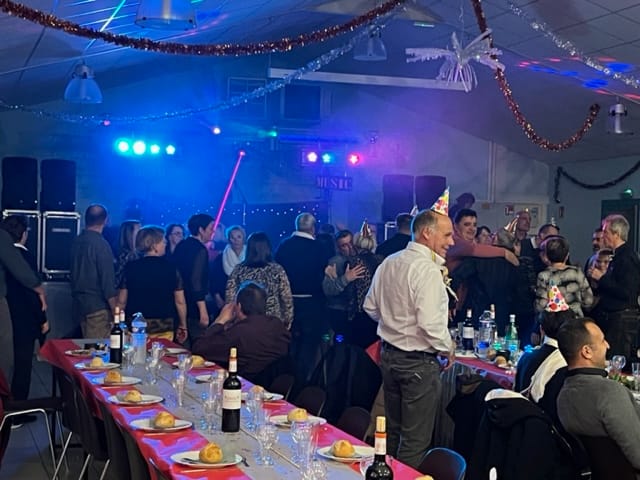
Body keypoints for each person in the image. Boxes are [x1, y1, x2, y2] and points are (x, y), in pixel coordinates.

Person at [363, 201, 455, 469]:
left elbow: (370, 307)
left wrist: (394, 324)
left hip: (389, 356)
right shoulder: (427, 269)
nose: (451, 242)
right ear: (427, 233)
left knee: (392, 432)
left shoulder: (389, 262)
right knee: (415, 440)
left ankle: (385, 473)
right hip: (417, 363)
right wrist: (447, 347)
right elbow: (430, 323)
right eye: (447, 235)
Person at [556, 316, 640, 470]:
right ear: (587, 351)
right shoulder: (610, 393)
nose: (607, 345)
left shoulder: (563, 396)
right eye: (602, 341)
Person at [192, 281, 291, 382]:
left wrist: (220, 320)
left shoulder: (240, 332)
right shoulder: (277, 324)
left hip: (244, 385)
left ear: (238, 306)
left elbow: (199, 348)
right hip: (275, 385)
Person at [275, 212, 329, 385]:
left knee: (288, 342)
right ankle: (302, 383)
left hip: (287, 302)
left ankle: (284, 380)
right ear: (313, 228)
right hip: (312, 304)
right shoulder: (320, 248)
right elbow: (325, 276)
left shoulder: (284, 245)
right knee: (308, 345)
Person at [2, 215, 48, 403]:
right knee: (20, 366)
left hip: (10, 315)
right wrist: (43, 318)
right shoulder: (24, 258)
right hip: (23, 320)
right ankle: (16, 408)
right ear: (24, 234)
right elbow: (31, 292)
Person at [117, 226, 187, 342]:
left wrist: (118, 322)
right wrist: (183, 325)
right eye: (163, 241)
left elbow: (121, 301)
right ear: (154, 245)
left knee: (136, 352)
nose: (165, 244)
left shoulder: (131, 268)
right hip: (163, 324)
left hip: (135, 324)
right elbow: (180, 301)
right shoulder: (171, 268)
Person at [588, 214, 640, 361]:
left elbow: (627, 292)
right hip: (614, 319)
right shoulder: (617, 256)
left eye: (606, 232)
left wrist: (602, 278)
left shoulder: (627, 258)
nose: (603, 236)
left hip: (621, 321)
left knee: (617, 361)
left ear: (616, 234)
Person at [225, 232, 294, 329]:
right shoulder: (276, 270)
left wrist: (231, 322)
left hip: (244, 323)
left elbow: (230, 298)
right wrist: (287, 322)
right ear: (267, 248)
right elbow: (286, 298)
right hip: (272, 322)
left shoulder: (238, 270)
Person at [70, 204, 117, 339]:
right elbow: (107, 281)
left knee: (86, 346)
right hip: (98, 308)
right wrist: (115, 311)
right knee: (98, 350)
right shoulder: (101, 245)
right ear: (105, 220)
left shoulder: (76, 241)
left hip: (79, 306)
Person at [173, 213, 214, 345]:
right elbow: (196, 281)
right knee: (199, 345)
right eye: (210, 228)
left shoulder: (181, 245)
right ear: (201, 230)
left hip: (179, 302)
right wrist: (203, 310)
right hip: (194, 305)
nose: (212, 232)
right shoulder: (200, 250)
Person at [323, 230, 365, 343]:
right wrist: (345, 279)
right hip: (340, 312)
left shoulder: (363, 259)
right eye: (344, 245)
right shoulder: (335, 262)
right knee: (340, 342)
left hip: (358, 312)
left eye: (351, 242)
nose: (350, 247)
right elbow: (328, 290)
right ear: (339, 248)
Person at [535, 236, 593, 317]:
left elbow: (540, 305)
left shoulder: (544, 276)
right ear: (567, 255)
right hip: (575, 319)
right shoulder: (577, 272)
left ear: (547, 256)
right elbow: (588, 300)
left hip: (554, 321)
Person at [114, 220, 141, 287]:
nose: (142, 234)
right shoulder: (123, 256)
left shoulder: (139, 254)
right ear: (129, 234)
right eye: (139, 231)